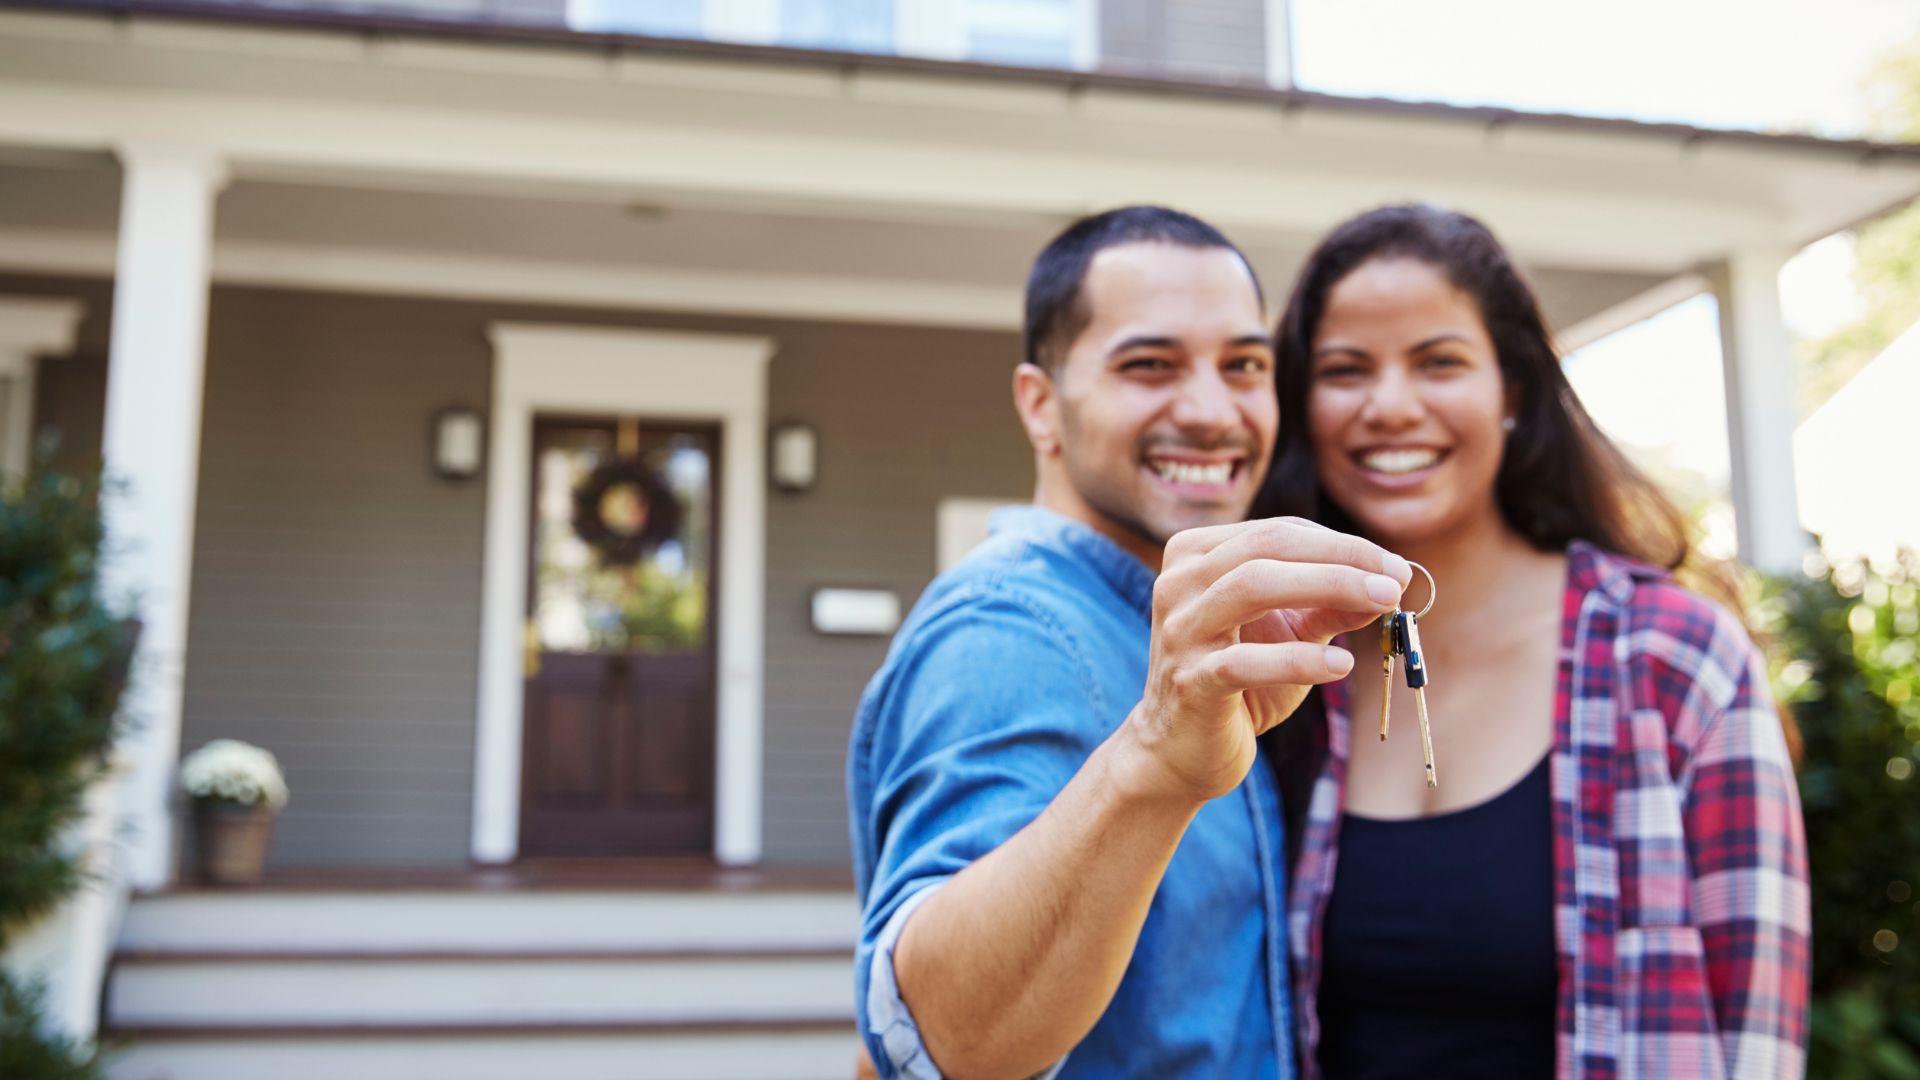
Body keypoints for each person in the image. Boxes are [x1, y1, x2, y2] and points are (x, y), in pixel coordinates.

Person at [846, 206, 1412, 1079]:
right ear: (1041, 406)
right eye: (1150, 365)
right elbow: (940, 1039)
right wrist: (1152, 757)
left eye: (1244, 366)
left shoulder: (1182, 630)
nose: (1211, 410)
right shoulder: (1007, 632)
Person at [1257, 204, 1811, 1079]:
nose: (1390, 405)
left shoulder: (1674, 656)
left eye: (1439, 362)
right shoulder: (1278, 664)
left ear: (1511, 391)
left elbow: (1757, 1036)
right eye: (1344, 369)